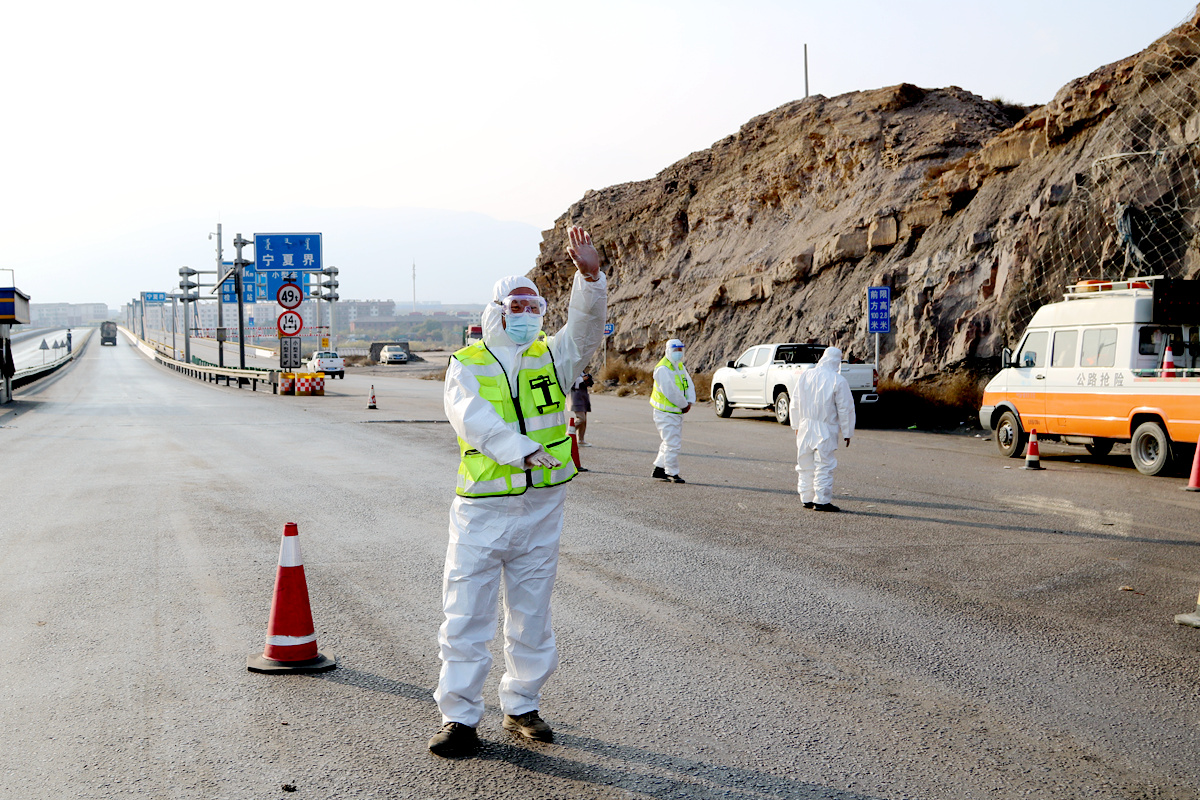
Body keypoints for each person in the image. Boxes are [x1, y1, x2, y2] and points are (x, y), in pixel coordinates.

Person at [429, 226, 606, 758]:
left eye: (535, 304)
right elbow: (471, 419)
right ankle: (459, 718)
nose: (529, 313)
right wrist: (518, 448)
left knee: (532, 613)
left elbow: (587, 329)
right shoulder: (469, 364)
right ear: (498, 311)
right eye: (519, 304)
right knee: (467, 613)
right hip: (483, 510)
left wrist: (591, 278)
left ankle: (522, 704)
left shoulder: (554, 356)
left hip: (541, 509)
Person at [790, 346, 855, 512]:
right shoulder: (838, 380)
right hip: (825, 428)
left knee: (804, 463)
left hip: (805, 426)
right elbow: (845, 408)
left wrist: (796, 424)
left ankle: (806, 497)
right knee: (824, 464)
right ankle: (821, 500)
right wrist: (847, 432)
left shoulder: (806, 375)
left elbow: (795, 402)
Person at [649, 338, 695, 484]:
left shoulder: (678, 365)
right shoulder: (663, 369)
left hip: (675, 412)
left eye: (681, 350)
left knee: (668, 442)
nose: (678, 353)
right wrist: (683, 404)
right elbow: (670, 391)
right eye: (675, 350)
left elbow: (688, 384)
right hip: (665, 412)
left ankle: (659, 469)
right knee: (672, 443)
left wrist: (689, 401)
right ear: (668, 351)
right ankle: (671, 472)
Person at [569, 371, 594, 446]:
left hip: (583, 396)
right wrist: (582, 379)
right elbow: (569, 381)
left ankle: (580, 440)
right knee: (581, 418)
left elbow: (588, 384)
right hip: (575, 396)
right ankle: (568, 433)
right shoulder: (571, 368)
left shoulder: (581, 370)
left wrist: (587, 379)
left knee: (584, 420)